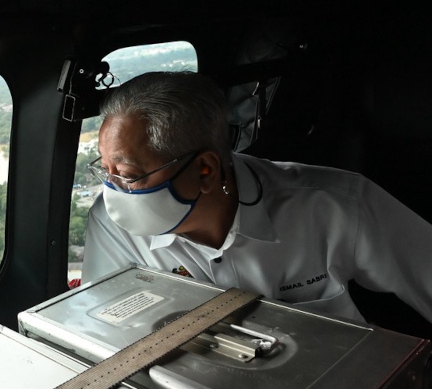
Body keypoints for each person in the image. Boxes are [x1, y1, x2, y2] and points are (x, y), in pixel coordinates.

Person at [81, 71, 432, 324]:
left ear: (204, 170)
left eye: (126, 176)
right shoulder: (111, 224)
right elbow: (106, 330)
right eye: (105, 170)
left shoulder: (335, 205)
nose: (112, 192)